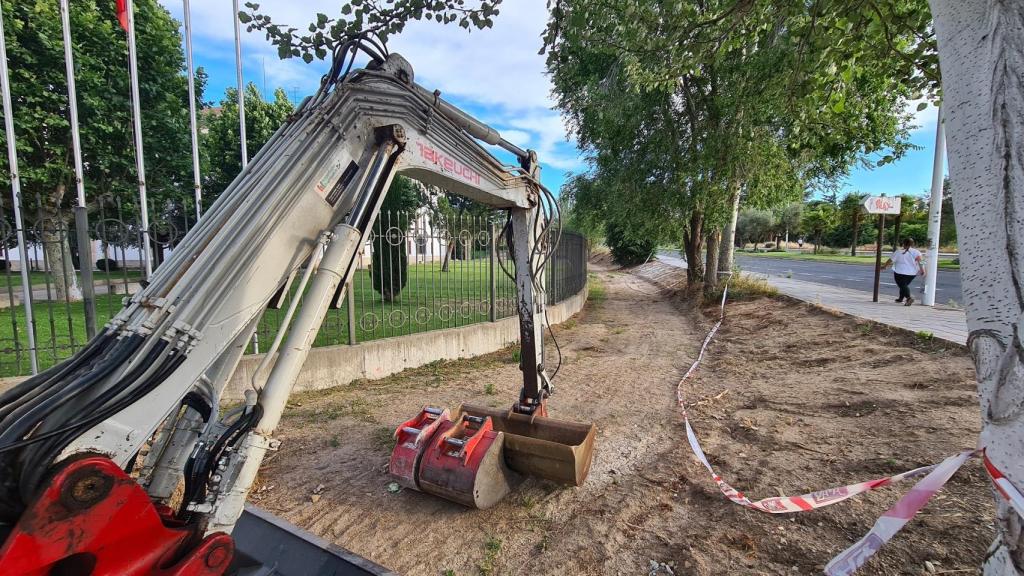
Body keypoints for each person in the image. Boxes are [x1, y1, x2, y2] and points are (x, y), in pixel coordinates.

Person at [881, 238, 925, 305]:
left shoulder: (898, 252)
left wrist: (884, 266)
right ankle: (900, 298)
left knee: (903, 286)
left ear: (903, 243)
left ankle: (909, 298)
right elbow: (921, 261)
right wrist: (922, 270)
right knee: (904, 285)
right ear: (913, 244)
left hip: (899, 272)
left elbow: (890, 260)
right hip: (912, 273)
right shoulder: (917, 252)